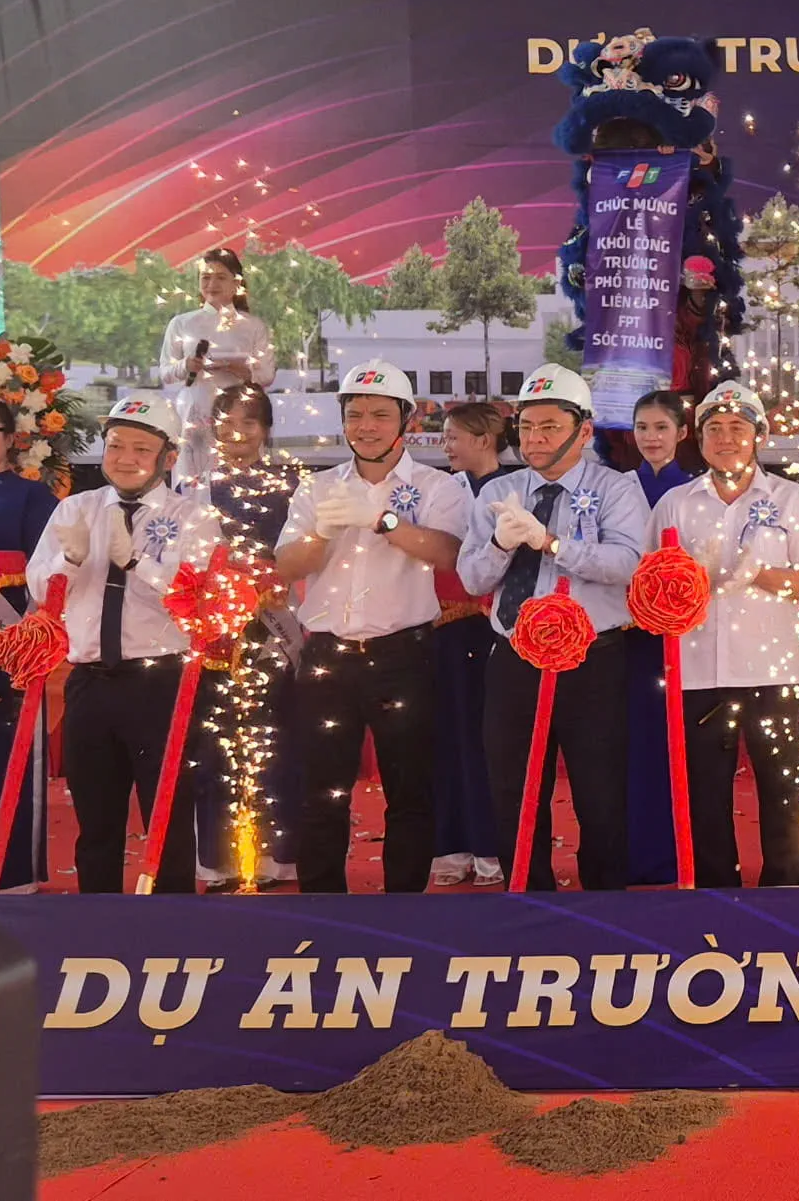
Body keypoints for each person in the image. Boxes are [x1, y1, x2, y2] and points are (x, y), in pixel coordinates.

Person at [276, 360, 471, 893]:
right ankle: (323, 911)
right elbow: (285, 566)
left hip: (403, 658)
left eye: (381, 415)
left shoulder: (438, 486)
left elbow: (451, 553)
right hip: (326, 660)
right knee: (322, 791)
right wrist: (322, 531)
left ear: (406, 420)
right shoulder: (317, 487)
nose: (366, 425)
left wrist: (383, 520)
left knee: (409, 791)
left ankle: (402, 907)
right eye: (355, 413)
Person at [457, 363, 649, 891]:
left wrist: (553, 544)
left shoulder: (616, 489)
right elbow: (471, 578)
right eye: (526, 427)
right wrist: (502, 543)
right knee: (513, 788)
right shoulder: (500, 491)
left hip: (592, 659)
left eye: (549, 427)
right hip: (514, 656)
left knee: (600, 788)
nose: (535, 439)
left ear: (583, 431)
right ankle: (527, 898)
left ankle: (606, 907)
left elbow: (627, 564)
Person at [27, 395, 219, 892]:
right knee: (95, 820)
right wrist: (69, 560)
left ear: (168, 457)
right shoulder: (76, 508)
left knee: (168, 818)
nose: (125, 458)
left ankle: (173, 929)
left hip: (161, 681)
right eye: (116, 446)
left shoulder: (192, 517)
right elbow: (39, 591)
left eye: (141, 448)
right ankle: (99, 926)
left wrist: (135, 562)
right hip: (89, 681)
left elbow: (195, 597)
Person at [649, 381, 799, 887]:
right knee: (705, 796)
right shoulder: (675, 504)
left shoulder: (789, 498)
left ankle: (786, 893)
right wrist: (688, 582)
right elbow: (649, 584)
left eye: (738, 428)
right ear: (699, 437)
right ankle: (716, 896)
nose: (726, 438)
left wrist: (762, 575)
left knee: (782, 792)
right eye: (714, 429)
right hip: (698, 670)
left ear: (759, 436)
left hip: (774, 669)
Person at [188, 384, 307, 890]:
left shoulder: (291, 483)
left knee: (275, 738)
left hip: (274, 625)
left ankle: (279, 855)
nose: (238, 433)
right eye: (228, 422)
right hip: (214, 630)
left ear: (266, 429)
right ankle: (219, 859)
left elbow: (305, 549)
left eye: (250, 423)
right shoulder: (194, 486)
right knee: (215, 741)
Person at [432, 401, 508, 887]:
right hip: (446, 628)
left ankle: (493, 843)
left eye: (453, 436)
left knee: (494, 740)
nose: (446, 445)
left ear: (483, 439)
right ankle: (451, 843)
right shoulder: (441, 489)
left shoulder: (516, 487)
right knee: (448, 736)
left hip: (503, 628)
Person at [0, 395, 57, 892]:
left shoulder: (31, 498)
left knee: (0, 761)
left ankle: (9, 878)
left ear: (12, 439)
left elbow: (50, 577)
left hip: (4, 652)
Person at [625, 390, 698, 886]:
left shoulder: (693, 493)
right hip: (626, 635)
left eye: (661, 428)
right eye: (643, 428)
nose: (651, 438)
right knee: (629, 743)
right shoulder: (615, 488)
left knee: (677, 742)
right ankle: (633, 851)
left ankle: (681, 853)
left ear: (682, 433)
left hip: (678, 636)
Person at [158, 247, 277, 482]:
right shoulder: (182, 323)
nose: (212, 284)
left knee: (241, 479)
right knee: (193, 477)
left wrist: (244, 371)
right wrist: (186, 366)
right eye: (206, 277)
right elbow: (165, 372)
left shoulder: (253, 326)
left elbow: (267, 374)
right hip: (196, 409)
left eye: (221, 277)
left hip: (239, 412)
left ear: (237, 283)